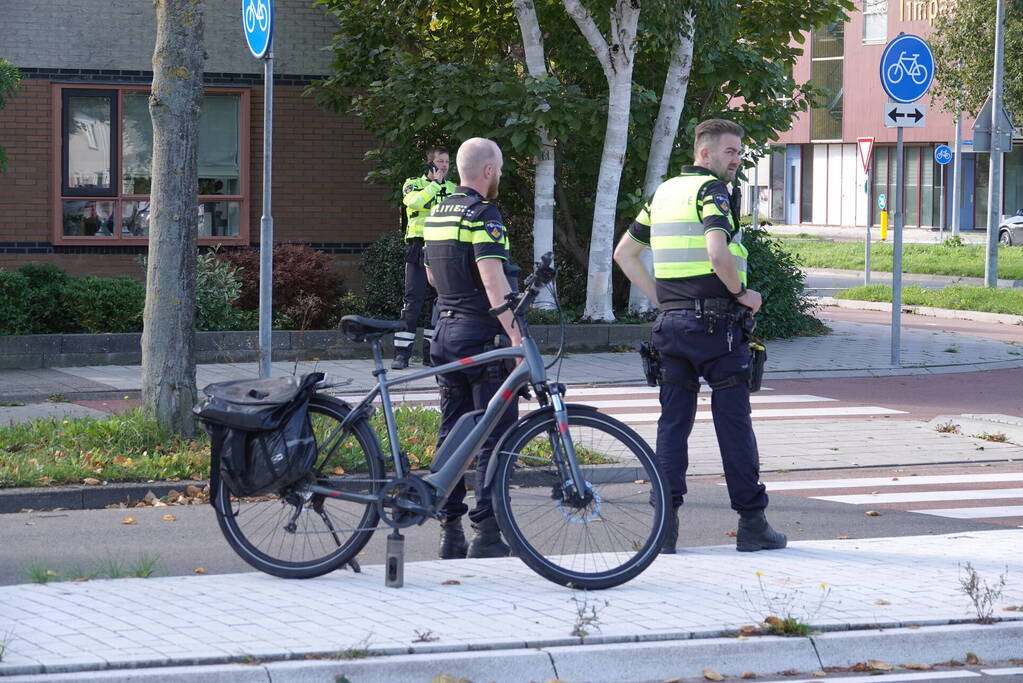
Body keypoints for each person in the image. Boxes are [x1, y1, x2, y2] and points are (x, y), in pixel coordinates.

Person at [613, 118, 787, 554]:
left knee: (672, 426)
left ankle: (665, 528)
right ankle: (752, 524)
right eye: (730, 151)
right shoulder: (712, 191)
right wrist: (743, 293)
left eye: (738, 152)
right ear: (704, 153)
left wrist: (660, 298)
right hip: (717, 328)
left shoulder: (663, 193)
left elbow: (624, 253)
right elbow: (716, 250)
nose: (737, 159)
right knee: (733, 425)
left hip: (671, 328)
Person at [423, 137, 520, 559]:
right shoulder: (484, 214)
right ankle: (488, 535)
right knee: (494, 436)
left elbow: (430, 277)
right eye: (497, 168)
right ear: (486, 171)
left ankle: (450, 531)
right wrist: (515, 335)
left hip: (444, 333)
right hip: (483, 337)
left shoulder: (437, 213)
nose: (498, 175)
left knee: (454, 431)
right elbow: (492, 279)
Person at [393, 148, 458, 370]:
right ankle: (402, 354)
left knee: (438, 303)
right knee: (413, 301)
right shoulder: (413, 184)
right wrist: (435, 185)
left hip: (443, 248)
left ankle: (432, 354)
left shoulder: (454, 189)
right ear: (429, 165)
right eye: (440, 161)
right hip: (418, 245)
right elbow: (414, 203)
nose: (444, 165)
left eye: (447, 162)